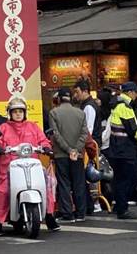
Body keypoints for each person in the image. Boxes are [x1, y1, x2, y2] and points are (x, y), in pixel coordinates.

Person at [0, 98, 59, 236]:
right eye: (15, 112)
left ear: (25, 113)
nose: (18, 114)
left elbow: (43, 140)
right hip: (10, 168)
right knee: (3, 191)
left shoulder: (33, 126)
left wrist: (46, 148)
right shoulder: (3, 128)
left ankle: (50, 217)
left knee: (46, 186)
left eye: (21, 111)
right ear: (10, 113)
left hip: (32, 165)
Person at [103, 82, 137, 220]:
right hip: (125, 149)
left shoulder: (116, 105)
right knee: (129, 178)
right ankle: (123, 209)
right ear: (131, 92)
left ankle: (119, 206)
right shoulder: (125, 107)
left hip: (116, 149)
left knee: (120, 179)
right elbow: (132, 129)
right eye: (136, 92)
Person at [49, 87, 89, 222]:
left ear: (59, 99)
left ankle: (67, 213)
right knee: (79, 183)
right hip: (77, 155)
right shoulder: (80, 113)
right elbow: (85, 134)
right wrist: (75, 150)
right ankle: (80, 213)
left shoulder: (54, 113)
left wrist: (68, 149)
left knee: (64, 183)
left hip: (61, 154)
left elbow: (56, 135)